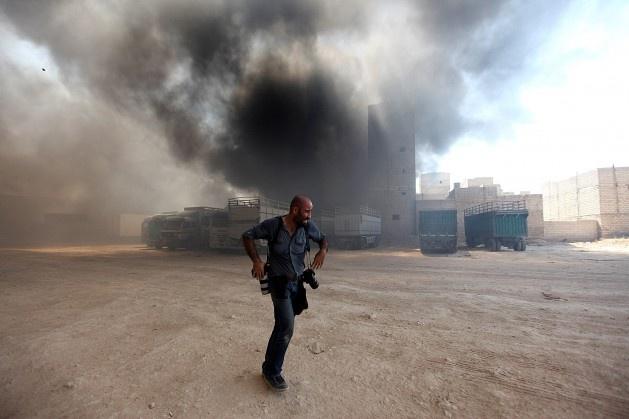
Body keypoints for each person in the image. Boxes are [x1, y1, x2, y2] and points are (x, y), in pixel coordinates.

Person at [242, 195, 328, 392]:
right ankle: (273, 372)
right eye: (307, 211)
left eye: (311, 212)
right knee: (287, 327)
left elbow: (323, 239)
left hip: (297, 285)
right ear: (295, 210)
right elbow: (247, 236)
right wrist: (256, 261)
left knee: (281, 326)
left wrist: (322, 251)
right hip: (278, 284)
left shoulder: (307, 227)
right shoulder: (273, 226)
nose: (310, 216)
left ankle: (267, 367)